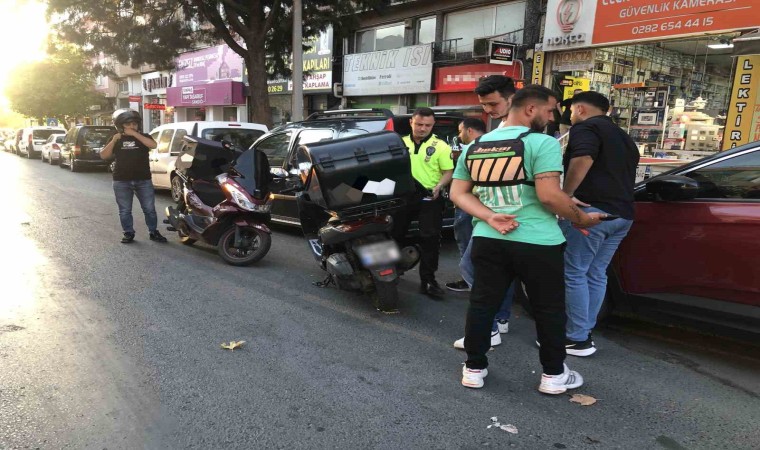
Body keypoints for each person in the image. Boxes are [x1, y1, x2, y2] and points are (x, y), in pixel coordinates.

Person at [450, 85, 607, 392]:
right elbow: (549, 196)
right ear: (531, 109)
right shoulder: (542, 143)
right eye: (549, 111)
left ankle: (474, 368)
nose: (552, 117)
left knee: (482, 305)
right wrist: (582, 218)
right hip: (538, 241)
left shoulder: (476, 145)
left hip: (489, 238)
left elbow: (458, 193)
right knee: (549, 309)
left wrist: (489, 216)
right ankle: (553, 375)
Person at [560, 91, 640, 356]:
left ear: (580, 109)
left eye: (572, 110)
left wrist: (566, 194)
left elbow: (583, 158)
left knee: (575, 272)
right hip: (622, 216)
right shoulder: (624, 136)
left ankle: (576, 338)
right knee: (595, 273)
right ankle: (584, 331)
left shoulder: (586, 128)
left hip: (591, 214)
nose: (571, 115)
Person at [393, 107, 454, 299]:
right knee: (393, 234)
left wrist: (440, 186)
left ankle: (428, 280)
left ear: (433, 125)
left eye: (427, 125)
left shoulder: (441, 146)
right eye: (419, 124)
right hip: (402, 196)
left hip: (429, 197)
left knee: (430, 239)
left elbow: (448, 172)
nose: (422, 128)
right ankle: (389, 273)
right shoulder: (399, 143)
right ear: (411, 122)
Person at [100, 109, 167, 244]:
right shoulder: (116, 138)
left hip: (143, 179)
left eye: (134, 124)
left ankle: (153, 231)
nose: (132, 126)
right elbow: (104, 155)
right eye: (128, 124)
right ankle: (128, 232)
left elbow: (153, 145)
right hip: (121, 180)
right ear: (121, 126)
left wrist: (135, 134)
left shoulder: (144, 137)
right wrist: (113, 141)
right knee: (125, 210)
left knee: (149, 209)